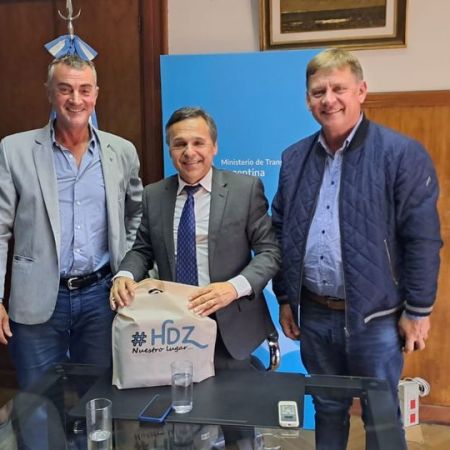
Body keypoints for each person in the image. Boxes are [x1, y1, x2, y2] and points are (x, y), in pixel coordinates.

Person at [271, 48, 441, 450]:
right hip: (314, 313)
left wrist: (418, 310)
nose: (328, 99)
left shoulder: (400, 154)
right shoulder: (294, 158)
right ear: (308, 100)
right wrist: (285, 297)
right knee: (327, 409)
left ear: (361, 91)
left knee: (380, 415)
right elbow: (280, 230)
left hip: (376, 317)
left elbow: (422, 238)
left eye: (339, 89)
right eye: (318, 92)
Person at [0, 55, 143, 390]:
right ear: (50, 92)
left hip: (101, 299)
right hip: (36, 299)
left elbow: (137, 215)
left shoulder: (122, 151)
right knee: (38, 403)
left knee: (98, 401)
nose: (76, 99)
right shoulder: (14, 150)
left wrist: (127, 271)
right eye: (65, 89)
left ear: (96, 94)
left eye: (84, 90)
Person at [110, 106, 280, 369]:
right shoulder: (154, 195)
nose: (189, 152)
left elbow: (270, 252)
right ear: (170, 150)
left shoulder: (244, 190)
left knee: (232, 396)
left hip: (231, 326)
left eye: (198, 142)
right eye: (179, 144)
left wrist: (233, 288)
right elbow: (142, 250)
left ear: (214, 146)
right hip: (172, 329)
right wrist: (124, 275)